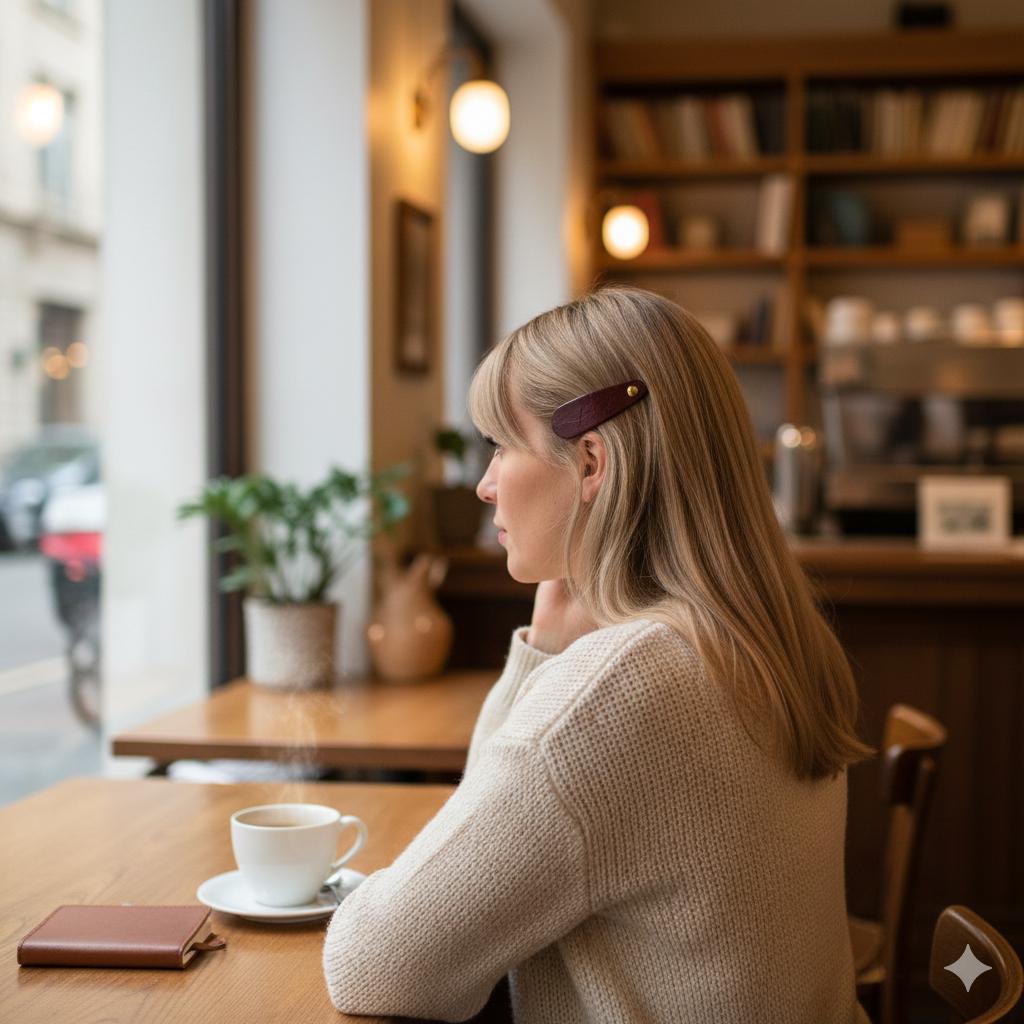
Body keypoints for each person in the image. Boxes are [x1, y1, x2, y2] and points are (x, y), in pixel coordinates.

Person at [323, 286, 873, 1023]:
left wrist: (551, 664)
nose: (485, 484)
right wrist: (546, 650)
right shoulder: (762, 635)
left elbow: (374, 964)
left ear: (591, 461)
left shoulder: (623, 689)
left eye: (500, 444)